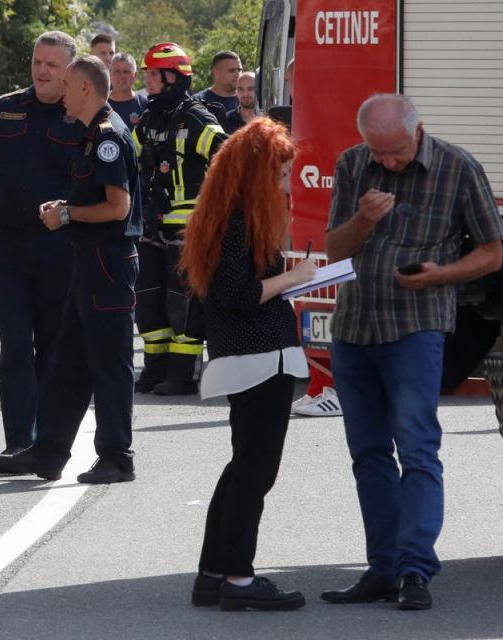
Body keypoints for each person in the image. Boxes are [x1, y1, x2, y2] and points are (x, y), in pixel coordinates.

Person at [320, 94, 503, 610]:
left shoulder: (457, 166)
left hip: (416, 328)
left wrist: (442, 276)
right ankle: (382, 567)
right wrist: (362, 221)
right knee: (368, 453)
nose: (388, 162)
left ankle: (415, 569)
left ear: (416, 131)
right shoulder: (354, 164)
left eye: (396, 152)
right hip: (355, 326)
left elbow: (492, 252)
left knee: (417, 448)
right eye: (378, 153)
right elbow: (335, 250)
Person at [179, 118, 314, 611]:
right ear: (257, 174)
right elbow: (238, 296)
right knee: (255, 473)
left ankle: (214, 573)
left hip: (248, 357)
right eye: (279, 176)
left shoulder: (225, 216)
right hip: (260, 358)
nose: (284, 186)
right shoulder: (238, 220)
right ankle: (238, 578)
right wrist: (295, 276)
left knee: (242, 469)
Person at [0, 54, 142, 484]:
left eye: (68, 86)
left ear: (85, 89)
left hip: (108, 263)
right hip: (88, 262)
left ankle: (117, 456)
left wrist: (68, 214)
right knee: (68, 362)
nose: (62, 96)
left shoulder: (108, 137)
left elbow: (118, 206)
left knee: (109, 364)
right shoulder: (91, 134)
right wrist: (68, 210)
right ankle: (49, 451)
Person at [0, 32, 83, 461]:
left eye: (52, 65)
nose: (42, 71)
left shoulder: (82, 113)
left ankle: (48, 441)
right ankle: (19, 440)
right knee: (15, 345)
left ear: (69, 69)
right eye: (37, 61)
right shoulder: (8, 109)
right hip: (11, 247)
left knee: (54, 348)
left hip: (61, 248)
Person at [133, 42, 227, 395]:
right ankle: (155, 368)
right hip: (152, 224)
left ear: (173, 77)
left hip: (188, 226)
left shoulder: (197, 119)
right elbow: (131, 155)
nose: (148, 80)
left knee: (182, 302)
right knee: (149, 298)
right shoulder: (150, 118)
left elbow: (226, 158)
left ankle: (182, 373)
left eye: (153, 74)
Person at [194, 51, 242, 120]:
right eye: (232, 70)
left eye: (239, 70)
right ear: (216, 73)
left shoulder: (249, 99)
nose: (237, 74)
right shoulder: (198, 103)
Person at [108, 52, 147, 131]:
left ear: (135, 76)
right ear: (109, 74)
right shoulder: (99, 104)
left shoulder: (145, 105)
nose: (121, 76)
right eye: (117, 71)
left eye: (126, 72)